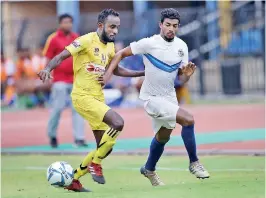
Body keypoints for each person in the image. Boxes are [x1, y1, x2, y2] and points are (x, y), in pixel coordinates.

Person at [38, 9, 144, 192]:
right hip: (82, 97)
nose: (115, 31)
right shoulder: (86, 40)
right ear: (101, 26)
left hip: (97, 98)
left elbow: (117, 69)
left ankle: (74, 179)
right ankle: (96, 164)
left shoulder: (110, 47)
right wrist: (48, 68)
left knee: (104, 147)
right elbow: (61, 55)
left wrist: (143, 72)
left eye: (117, 27)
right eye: (111, 27)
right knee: (118, 122)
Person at [103, 8, 210, 187]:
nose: (171, 29)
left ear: (178, 27)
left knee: (163, 137)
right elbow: (120, 54)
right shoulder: (149, 43)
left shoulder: (181, 46)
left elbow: (181, 79)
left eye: (175, 26)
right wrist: (108, 75)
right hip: (151, 98)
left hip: (169, 98)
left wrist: (187, 75)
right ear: (161, 25)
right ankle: (194, 163)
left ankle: (148, 168)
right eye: (167, 25)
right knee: (188, 120)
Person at [42, 14, 87, 148]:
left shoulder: (76, 38)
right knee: (57, 108)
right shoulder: (53, 39)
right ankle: (52, 135)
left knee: (78, 109)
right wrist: (47, 73)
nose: (67, 25)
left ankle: (79, 138)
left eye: (69, 22)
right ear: (60, 24)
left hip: (75, 79)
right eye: (65, 22)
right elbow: (48, 57)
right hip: (59, 80)